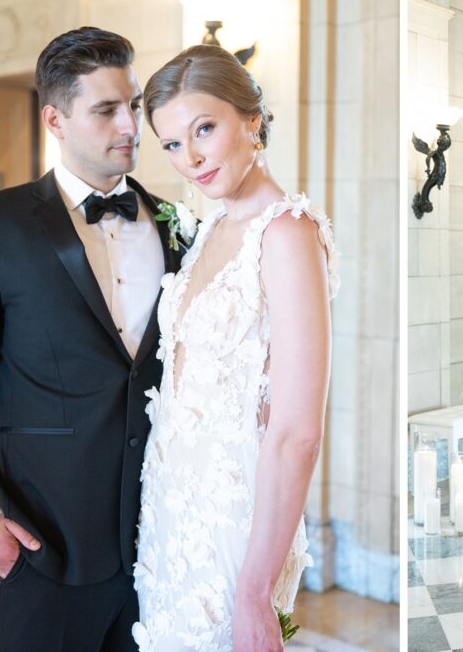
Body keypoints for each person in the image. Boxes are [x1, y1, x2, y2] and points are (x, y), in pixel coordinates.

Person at [0, 25, 181, 652]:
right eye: (107, 110)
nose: (131, 126)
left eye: (135, 105)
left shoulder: (179, 225)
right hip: (44, 553)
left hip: (165, 551)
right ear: (55, 120)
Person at [135, 42, 336, 652]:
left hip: (236, 520)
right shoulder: (212, 230)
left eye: (204, 129)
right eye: (171, 144)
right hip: (170, 506)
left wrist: (254, 587)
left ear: (251, 120)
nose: (189, 158)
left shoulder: (287, 232)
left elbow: (299, 428)